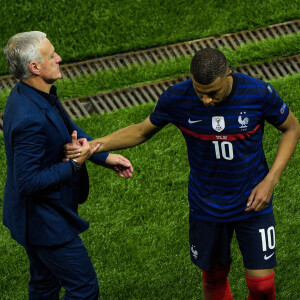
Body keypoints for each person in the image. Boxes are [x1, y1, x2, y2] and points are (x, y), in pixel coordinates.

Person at [66, 48, 300, 299]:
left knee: (262, 286)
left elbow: (292, 128)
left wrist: (270, 181)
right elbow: (140, 131)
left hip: (254, 203)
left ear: (228, 75)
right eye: (200, 92)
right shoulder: (177, 97)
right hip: (206, 206)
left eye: (213, 93)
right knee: (214, 277)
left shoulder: (258, 93)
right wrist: (93, 145)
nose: (206, 101)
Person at [2, 31, 133, 299]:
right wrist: (74, 164)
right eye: (52, 55)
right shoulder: (29, 119)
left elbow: (66, 127)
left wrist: (102, 156)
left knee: (44, 286)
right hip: (44, 222)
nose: (59, 58)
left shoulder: (32, 92)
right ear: (34, 67)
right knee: (84, 290)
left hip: (39, 216)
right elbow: (26, 181)